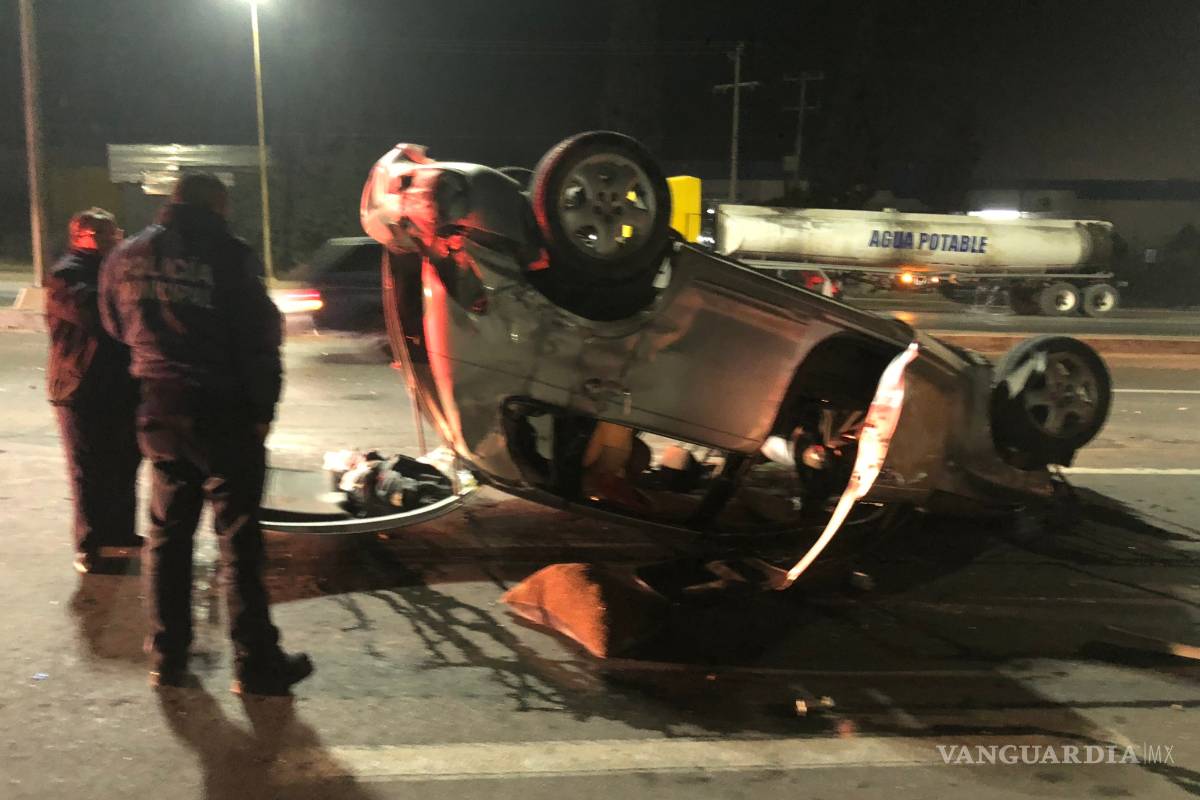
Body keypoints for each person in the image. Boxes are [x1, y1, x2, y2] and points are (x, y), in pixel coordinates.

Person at [99, 173, 312, 694]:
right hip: (224, 413)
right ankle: (255, 665)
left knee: (168, 538)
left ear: (171, 202)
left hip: (158, 407)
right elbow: (259, 339)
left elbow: (112, 324)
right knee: (239, 540)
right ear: (216, 204)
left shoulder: (125, 255)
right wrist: (262, 411)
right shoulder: (228, 254)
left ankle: (168, 658)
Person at [45, 207, 141, 574]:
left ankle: (121, 533)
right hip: (80, 388)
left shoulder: (113, 272)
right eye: (108, 236)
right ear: (84, 238)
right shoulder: (66, 276)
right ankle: (90, 544)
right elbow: (97, 315)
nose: (116, 241)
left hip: (121, 384)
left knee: (125, 462)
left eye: (116, 234)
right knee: (88, 468)